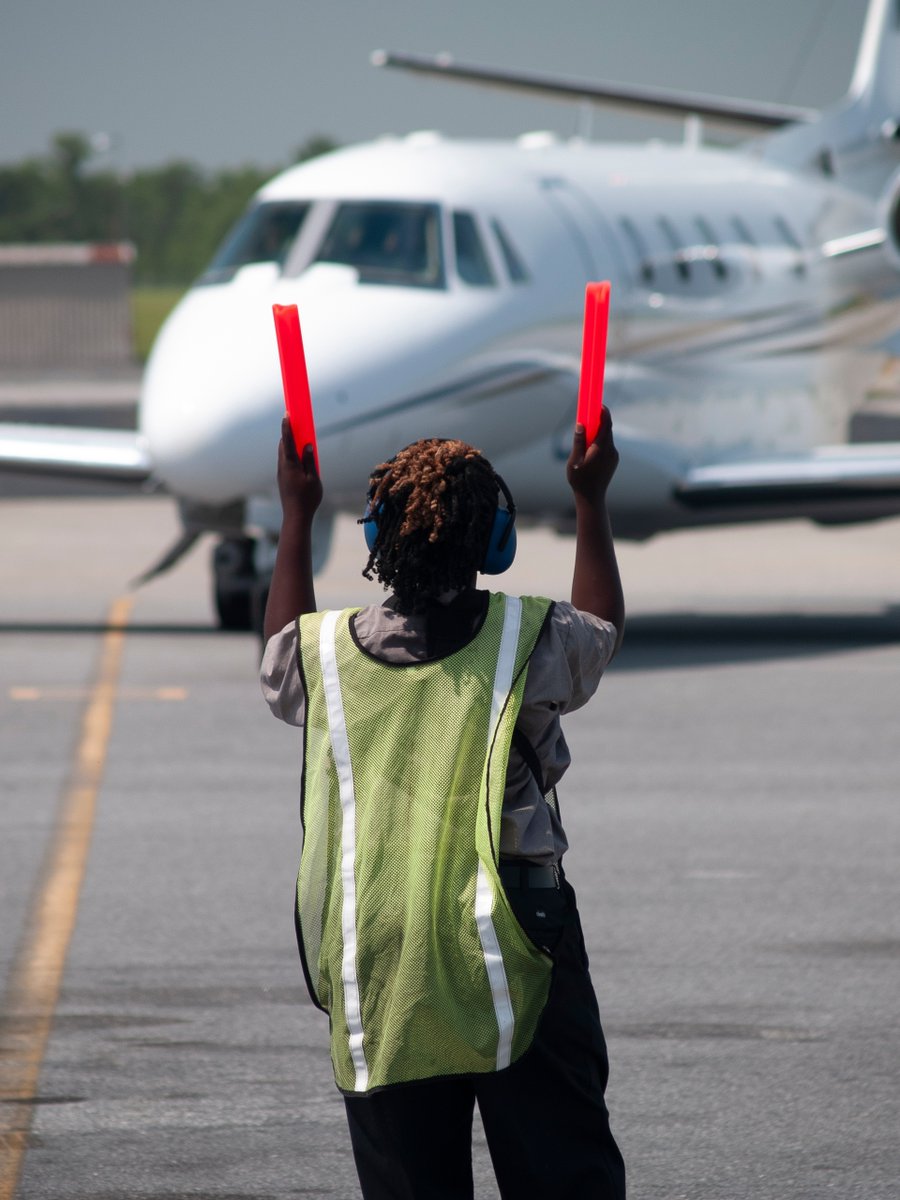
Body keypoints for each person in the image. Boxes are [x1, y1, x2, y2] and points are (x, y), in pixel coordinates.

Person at [261, 410, 626, 1200]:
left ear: (374, 540)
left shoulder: (322, 653)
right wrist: (590, 501)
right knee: (563, 1170)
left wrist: (296, 516)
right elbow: (604, 630)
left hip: (383, 943)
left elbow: (279, 648)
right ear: (496, 542)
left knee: (411, 1180)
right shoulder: (531, 636)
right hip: (514, 934)